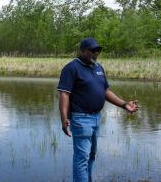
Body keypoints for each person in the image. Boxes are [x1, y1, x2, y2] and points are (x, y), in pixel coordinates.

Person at [58, 37, 138, 182]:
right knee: (82, 158)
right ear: (82, 51)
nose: (96, 53)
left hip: (96, 118)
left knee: (91, 155)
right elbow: (64, 93)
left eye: (98, 50)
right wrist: (64, 118)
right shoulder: (72, 68)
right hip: (81, 119)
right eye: (92, 50)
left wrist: (124, 104)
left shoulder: (98, 68)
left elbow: (106, 91)